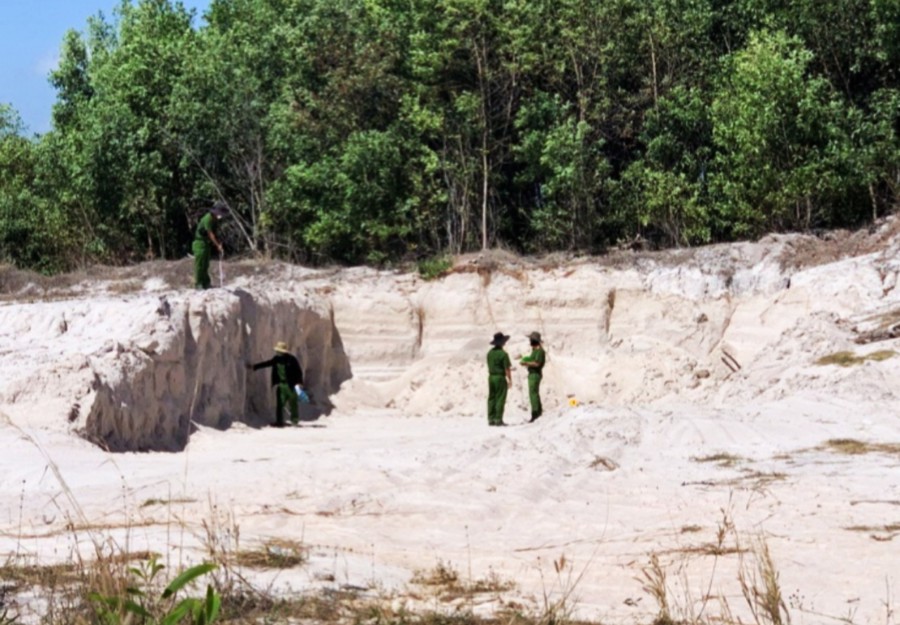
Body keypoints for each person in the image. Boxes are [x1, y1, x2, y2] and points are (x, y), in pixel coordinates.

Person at [247, 341, 307, 427]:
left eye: (279, 351)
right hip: (281, 385)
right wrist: (254, 367)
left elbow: (298, 372)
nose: (278, 352)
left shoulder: (292, 359)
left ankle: (294, 421)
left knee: (293, 403)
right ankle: (279, 422)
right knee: (280, 404)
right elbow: (267, 363)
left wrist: (299, 383)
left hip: (292, 385)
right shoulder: (276, 359)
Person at [193, 201, 226, 290]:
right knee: (200, 264)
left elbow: (215, 232)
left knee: (206, 264)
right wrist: (217, 245)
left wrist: (219, 242)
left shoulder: (215, 220)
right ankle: (199, 284)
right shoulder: (208, 218)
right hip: (200, 243)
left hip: (206, 243)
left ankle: (206, 283)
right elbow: (210, 234)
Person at [486, 332, 512, 426]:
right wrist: (510, 380)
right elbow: (507, 369)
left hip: (491, 377)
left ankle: (491, 419)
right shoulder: (503, 354)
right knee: (500, 398)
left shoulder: (489, 353)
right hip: (500, 377)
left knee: (491, 398)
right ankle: (498, 419)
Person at [520, 331, 546, 422]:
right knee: (533, 394)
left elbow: (537, 363)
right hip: (532, 374)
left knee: (533, 394)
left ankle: (536, 414)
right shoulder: (535, 351)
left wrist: (526, 363)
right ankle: (538, 412)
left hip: (535, 374)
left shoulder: (540, 351)